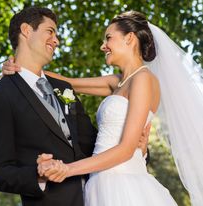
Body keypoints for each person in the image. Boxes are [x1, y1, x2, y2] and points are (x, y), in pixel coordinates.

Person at [35, 11, 203, 206]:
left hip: (122, 184)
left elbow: (126, 149)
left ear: (129, 38)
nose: (102, 46)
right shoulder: (119, 82)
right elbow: (69, 83)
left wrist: (67, 169)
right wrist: (23, 68)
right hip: (100, 183)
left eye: (108, 38)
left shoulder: (144, 79)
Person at [0, 6, 98, 206]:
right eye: (50, 31)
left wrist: (137, 152)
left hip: (96, 198)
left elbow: (94, 145)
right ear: (26, 30)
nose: (56, 40)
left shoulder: (64, 88)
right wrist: (39, 175)